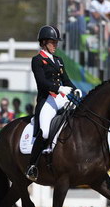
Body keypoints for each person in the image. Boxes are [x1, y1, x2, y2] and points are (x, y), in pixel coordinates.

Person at [26, 25, 78, 181]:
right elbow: (42, 82)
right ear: (43, 43)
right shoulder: (37, 60)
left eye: (56, 42)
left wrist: (75, 89)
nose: (55, 45)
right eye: (52, 42)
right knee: (46, 131)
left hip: (61, 98)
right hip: (47, 100)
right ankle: (32, 166)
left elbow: (66, 79)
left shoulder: (59, 60)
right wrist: (60, 88)